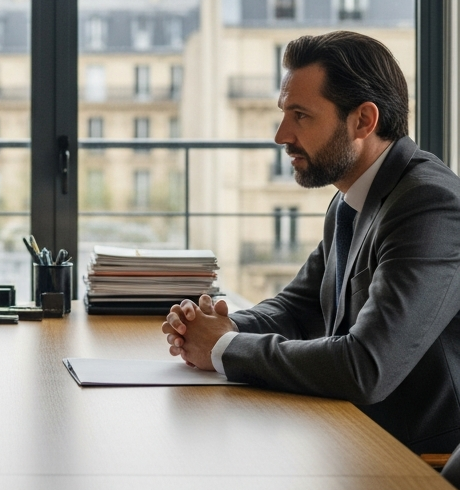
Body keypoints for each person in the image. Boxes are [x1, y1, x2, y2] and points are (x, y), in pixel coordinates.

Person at [162, 31, 460, 455]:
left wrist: (224, 347)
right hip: (351, 435)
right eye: (284, 113)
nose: (282, 135)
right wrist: (218, 328)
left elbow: (365, 366)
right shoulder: (350, 198)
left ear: (363, 120)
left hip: (418, 462)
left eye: (300, 115)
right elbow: (297, 309)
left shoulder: (429, 206)